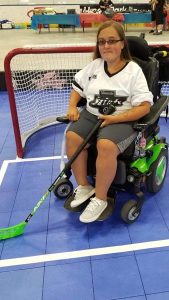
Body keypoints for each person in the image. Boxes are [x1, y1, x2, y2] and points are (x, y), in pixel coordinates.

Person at [66, 21, 153, 223]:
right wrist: (72, 106)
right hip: (92, 114)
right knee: (72, 136)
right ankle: (85, 187)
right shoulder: (95, 66)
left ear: (122, 44)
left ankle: (101, 199)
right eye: (102, 42)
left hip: (122, 117)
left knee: (105, 145)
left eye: (112, 41)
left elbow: (144, 107)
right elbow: (77, 88)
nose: (106, 46)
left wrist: (115, 118)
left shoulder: (134, 71)